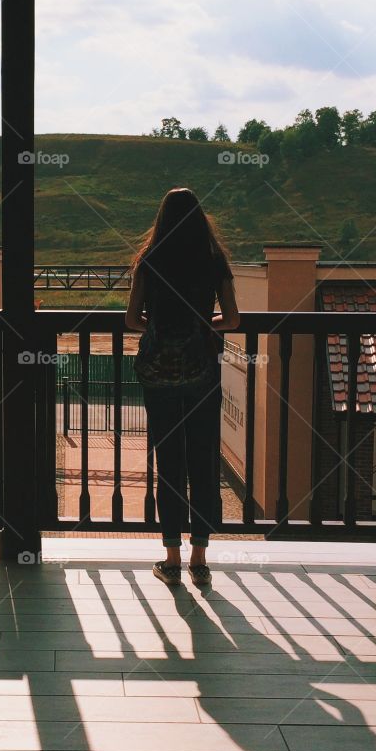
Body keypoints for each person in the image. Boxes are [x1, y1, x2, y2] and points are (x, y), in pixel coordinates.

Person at [125, 188, 240, 587]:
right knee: (203, 462)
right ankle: (200, 560)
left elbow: (131, 321)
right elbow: (233, 319)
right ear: (200, 219)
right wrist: (204, 326)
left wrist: (158, 326)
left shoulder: (150, 260)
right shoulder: (213, 261)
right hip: (202, 370)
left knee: (169, 465)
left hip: (159, 375)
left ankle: (170, 558)